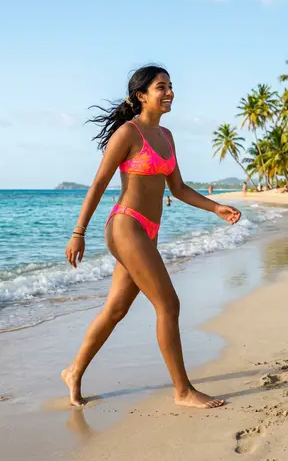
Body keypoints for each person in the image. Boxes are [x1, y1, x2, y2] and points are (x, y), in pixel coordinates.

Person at [63, 65, 241, 409]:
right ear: (141, 95)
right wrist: (78, 232)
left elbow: (178, 188)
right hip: (125, 226)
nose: (170, 92)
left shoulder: (168, 137)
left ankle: (74, 370)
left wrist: (215, 207)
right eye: (162, 87)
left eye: (171, 86)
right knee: (169, 304)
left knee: (115, 310)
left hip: (149, 230)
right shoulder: (128, 134)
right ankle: (183, 391)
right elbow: (99, 183)